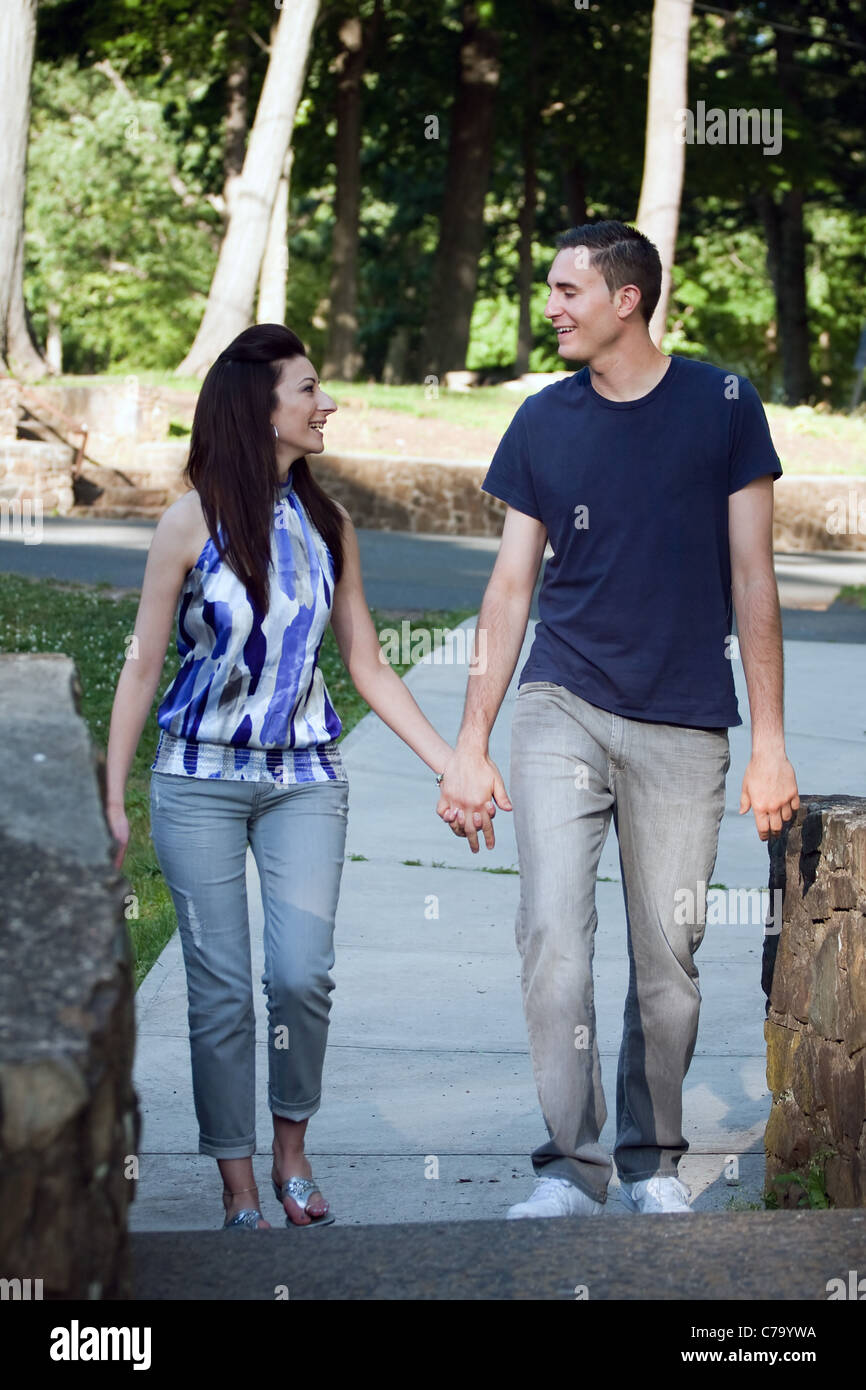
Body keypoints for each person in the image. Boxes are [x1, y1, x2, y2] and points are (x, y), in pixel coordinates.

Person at [435, 221, 800, 1217]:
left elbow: (751, 574)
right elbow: (509, 586)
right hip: (560, 701)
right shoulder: (542, 421)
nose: (548, 306)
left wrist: (769, 743)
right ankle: (570, 1165)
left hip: (683, 718)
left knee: (666, 954)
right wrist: (469, 740)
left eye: (565, 290)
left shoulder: (722, 405)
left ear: (624, 299)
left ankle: (648, 1161)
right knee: (551, 933)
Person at [105, 324, 455, 1230]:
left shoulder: (330, 525)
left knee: (301, 976)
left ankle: (292, 1149)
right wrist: (111, 796)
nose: (326, 403)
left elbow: (368, 665)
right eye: (308, 390)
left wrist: (452, 764)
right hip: (198, 783)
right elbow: (144, 661)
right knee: (218, 986)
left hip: (306, 782)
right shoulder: (190, 522)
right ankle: (240, 1187)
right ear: (258, 409)